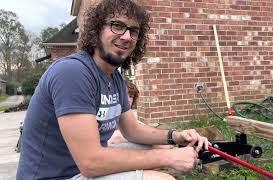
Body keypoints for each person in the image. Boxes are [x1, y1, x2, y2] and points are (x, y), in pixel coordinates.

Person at [16, 0, 211, 179]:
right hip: (57, 176)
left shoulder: (114, 78)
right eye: (117, 25)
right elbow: (91, 162)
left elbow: (132, 130)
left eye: (134, 31)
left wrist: (176, 136)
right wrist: (167, 158)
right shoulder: (73, 72)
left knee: (158, 145)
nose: (126, 36)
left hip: (81, 171)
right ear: (96, 30)